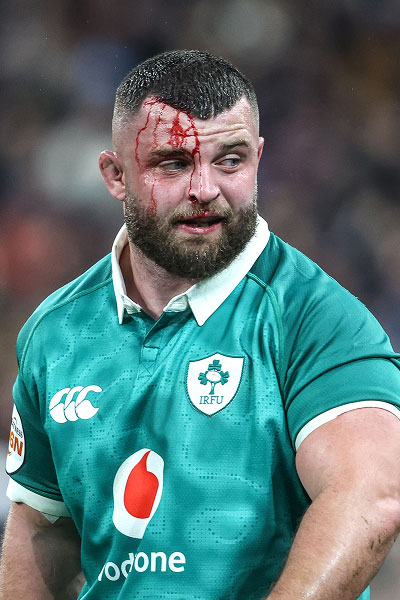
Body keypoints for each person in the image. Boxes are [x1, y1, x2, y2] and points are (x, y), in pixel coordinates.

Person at [1, 49, 400, 600]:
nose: (205, 188)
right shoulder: (55, 332)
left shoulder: (316, 317)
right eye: (173, 164)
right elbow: (44, 525)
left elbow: (371, 497)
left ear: (259, 158)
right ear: (116, 176)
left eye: (230, 160)